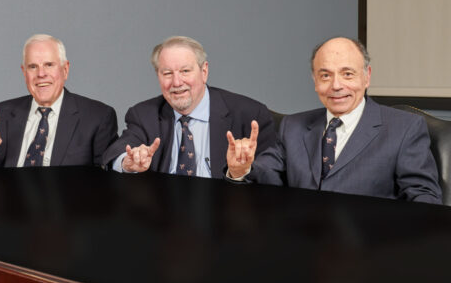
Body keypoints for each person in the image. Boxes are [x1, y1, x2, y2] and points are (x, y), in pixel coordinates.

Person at [226, 36, 441, 203]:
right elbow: (268, 175)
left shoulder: (404, 128)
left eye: (347, 74)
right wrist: (240, 170)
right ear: (315, 81)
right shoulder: (293, 126)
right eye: (325, 75)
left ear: (367, 77)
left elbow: (424, 198)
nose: (336, 86)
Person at [102, 36, 274, 178]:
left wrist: (239, 172)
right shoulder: (144, 114)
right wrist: (128, 163)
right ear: (158, 76)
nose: (177, 82)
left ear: (204, 71)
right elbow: (117, 151)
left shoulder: (250, 114)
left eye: (185, 71)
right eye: (167, 73)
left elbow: (272, 177)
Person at [0, 34, 117, 169]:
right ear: (24, 73)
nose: (41, 74)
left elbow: (106, 183)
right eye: (33, 67)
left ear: (65, 69)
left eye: (49, 65)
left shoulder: (98, 117)